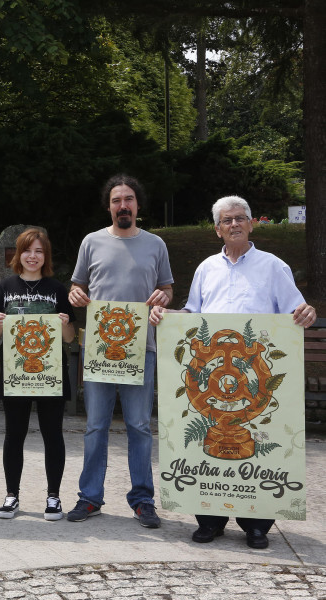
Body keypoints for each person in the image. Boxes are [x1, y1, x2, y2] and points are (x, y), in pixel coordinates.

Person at [149, 195, 317, 549]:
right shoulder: (206, 268)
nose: (235, 224)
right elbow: (193, 314)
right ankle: (210, 520)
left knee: (262, 444)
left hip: (255, 382)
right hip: (212, 381)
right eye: (227, 220)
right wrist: (166, 318)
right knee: (207, 445)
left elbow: (295, 311)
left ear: (252, 223)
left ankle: (256, 525)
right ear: (217, 229)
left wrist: (306, 313)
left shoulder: (274, 267)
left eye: (241, 218)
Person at [66, 174, 173, 528]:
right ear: (108, 205)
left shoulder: (155, 244)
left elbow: (166, 289)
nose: (123, 205)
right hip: (99, 349)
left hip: (142, 347)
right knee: (96, 425)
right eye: (116, 200)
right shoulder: (91, 242)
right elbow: (77, 286)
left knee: (140, 426)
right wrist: (75, 295)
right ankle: (90, 497)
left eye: (128, 199)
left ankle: (143, 499)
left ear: (137, 204)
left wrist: (163, 298)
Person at [0, 227, 75, 520]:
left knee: (53, 435)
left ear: (45, 255)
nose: (32, 256)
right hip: (16, 374)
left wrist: (64, 324)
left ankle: (53, 497)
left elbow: (70, 338)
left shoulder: (57, 289)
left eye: (38, 251)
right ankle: (12, 495)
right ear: (18, 254)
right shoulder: (5, 287)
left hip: (50, 375)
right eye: (27, 250)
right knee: (14, 434)